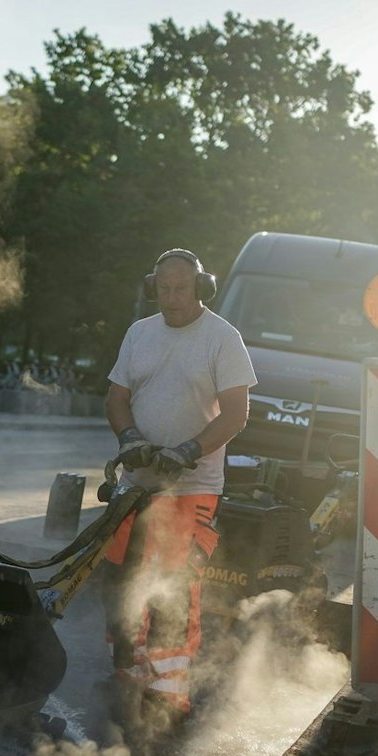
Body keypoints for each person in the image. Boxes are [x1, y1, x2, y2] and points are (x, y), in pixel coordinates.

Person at [103, 249, 257, 728]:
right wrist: (129, 438)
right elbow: (117, 397)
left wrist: (188, 450)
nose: (171, 298)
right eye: (164, 289)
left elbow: (236, 415)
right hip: (137, 486)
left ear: (201, 289)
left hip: (193, 488)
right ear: (155, 287)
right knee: (123, 583)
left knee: (172, 590)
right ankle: (129, 674)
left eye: (181, 289)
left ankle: (168, 696)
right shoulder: (139, 334)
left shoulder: (222, 339)